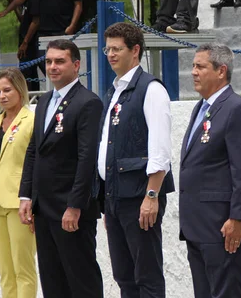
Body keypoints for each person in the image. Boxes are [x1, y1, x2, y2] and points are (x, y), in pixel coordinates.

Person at [19, 39, 104, 297]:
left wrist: (74, 205)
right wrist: (26, 195)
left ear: (76, 65)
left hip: (71, 209)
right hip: (44, 208)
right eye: (48, 62)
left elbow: (86, 159)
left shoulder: (88, 102)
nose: (52, 67)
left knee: (81, 280)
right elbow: (34, 149)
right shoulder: (44, 101)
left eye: (59, 61)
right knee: (52, 280)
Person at [96, 22, 175, 297]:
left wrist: (151, 196)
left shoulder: (151, 89)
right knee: (124, 276)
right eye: (108, 49)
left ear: (135, 50)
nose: (110, 54)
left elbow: (160, 149)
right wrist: (107, 200)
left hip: (140, 197)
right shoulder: (113, 91)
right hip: (115, 198)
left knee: (147, 275)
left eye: (117, 49)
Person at [179, 43, 241, 298]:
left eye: (200, 66)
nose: (193, 72)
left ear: (221, 71)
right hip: (197, 227)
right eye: (193, 66)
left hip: (223, 228)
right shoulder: (201, 108)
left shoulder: (236, 108)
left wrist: (238, 218)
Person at [0, 68, 38, 298]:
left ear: (20, 89)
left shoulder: (32, 120)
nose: (2, 96)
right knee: (4, 269)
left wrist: (33, 200)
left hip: (20, 203)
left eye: (7, 90)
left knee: (22, 268)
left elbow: (35, 164)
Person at [11, 0, 41, 91]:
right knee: (28, 72)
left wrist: (25, 42)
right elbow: (23, 19)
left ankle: (30, 96)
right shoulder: (25, 2)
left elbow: (35, 21)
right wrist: (14, 7)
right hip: (24, 39)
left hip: (29, 41)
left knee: (28, 72)